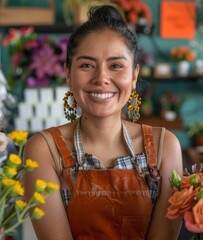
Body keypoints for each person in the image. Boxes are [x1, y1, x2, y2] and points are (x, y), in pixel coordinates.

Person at [23, 5, 183, 239]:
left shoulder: (164, 146)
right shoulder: (43, 149)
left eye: (116, 66)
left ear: (134, 75)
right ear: (68, 74)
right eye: (87, 65)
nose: (101, 78)